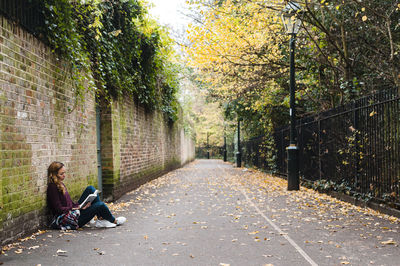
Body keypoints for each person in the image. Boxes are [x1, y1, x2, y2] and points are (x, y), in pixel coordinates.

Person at [46, 161, 126, 228]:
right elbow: (58, 209)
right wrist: (76, 208)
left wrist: (82, 206)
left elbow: (70, 203)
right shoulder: (52, 188)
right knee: (100, 205)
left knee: (90, 189)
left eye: (64, 173)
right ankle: (114, 221)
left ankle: (101, 219)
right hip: (68, 219)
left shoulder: (61, 184)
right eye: (61, 174)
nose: (64, 175)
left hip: (73, 212)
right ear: (54, 174)